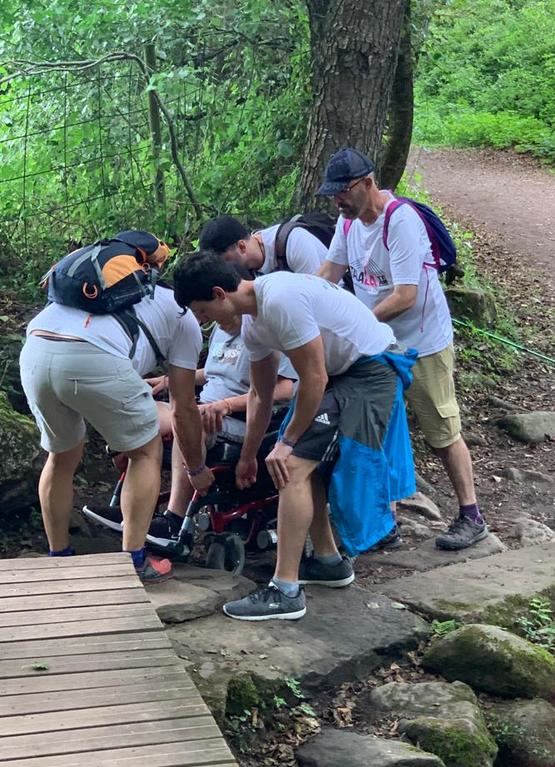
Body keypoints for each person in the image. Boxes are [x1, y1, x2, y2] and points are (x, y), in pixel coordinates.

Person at [172, 253, 416, 621]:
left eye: (203, 311)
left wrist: (285, 444)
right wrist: (248, 456)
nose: (205, 322)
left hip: (370, 370)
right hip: (340, 374)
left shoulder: (280, 298)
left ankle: (285, 590)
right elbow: (260, 395)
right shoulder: (255, 325)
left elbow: (313, 378)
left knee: (292, 464)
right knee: (296, 462)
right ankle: (328, 562)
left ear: (220, 293)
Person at [315, 147, 488, 551]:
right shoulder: (348, 223)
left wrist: (354, 325)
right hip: (379, 345)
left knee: (441, 431)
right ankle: (385, 523)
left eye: (343, 192)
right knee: (378, 432)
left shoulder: (401, 221)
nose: (337, 201)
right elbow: (329, 273)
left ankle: (471, 515)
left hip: (422, 342)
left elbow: (406, 295)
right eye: (333, 194)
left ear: (367, 183)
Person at [19, 256, 211, 584]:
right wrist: (195, 468)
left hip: (36, 348)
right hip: (94, 356)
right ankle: (134, 561)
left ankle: (59, 556)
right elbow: (183, 408)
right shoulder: (183, 317)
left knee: (61, 456)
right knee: (145, 451)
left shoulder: (97, 288)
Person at [83, 315, 297, 547]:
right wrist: (168, 381)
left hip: (239, 418)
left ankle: (173, 520)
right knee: (141, 414)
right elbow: (216, 370)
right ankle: (130, 511)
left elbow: (285, 390)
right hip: (202, 406)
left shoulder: (267, 332)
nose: (210, 321)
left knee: (186, 423)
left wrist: (225, 405)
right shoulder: (221, 326)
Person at [199, 215, 328, 276]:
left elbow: (318, 294)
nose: (225, 268)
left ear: (242, 247)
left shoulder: (293, 242)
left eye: (226, 261)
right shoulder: (247, 273)